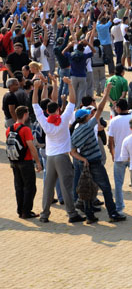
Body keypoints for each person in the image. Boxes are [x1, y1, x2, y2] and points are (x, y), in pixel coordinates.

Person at [69, 85, 126, 223]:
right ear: (86, 118)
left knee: (87, 189)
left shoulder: (75, 132)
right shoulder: (89, 127)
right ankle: (112, 213)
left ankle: (89, 216)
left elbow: (72, 152)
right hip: (95, 162)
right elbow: (100, 109)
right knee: (105, 187)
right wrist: (106, 94)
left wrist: (82, 159)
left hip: (85, 164)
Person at [33, 77, 85, 223]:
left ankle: (44, 214)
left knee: (48, 187)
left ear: (48, 112)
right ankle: (72, 213)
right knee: (66, 186)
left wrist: (36, 88)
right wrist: (69, 85)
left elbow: (35, 105)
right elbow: (72, 102)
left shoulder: (45, 122)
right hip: (62, 156)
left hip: (50, 157)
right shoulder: (63, 120)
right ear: (57, 110)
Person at [6, 105, 42, 219]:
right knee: (30, 187)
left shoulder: (9, 129)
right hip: (26, 162)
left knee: (19, 186)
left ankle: (20, 210)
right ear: (25, 115)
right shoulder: (25, 129)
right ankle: (26, 211)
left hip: (14, 161)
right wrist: (38, 162)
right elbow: (32, 148)